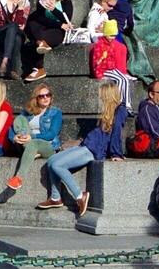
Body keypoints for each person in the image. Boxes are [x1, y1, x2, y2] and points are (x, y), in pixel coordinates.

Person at [39, 82, 125, 217]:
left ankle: (80, 196)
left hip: (92, 150)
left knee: (57, 165)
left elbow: (116, 133)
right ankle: (56, 198)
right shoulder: (108, 110)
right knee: (51, 160)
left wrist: (116, 153)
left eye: (102, 95)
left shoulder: (120, 110)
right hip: (86, 145)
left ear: (108, 95)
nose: (100, 98)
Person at [6, 83, 62, 206]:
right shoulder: (27, 113)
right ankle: (32, 152)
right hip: (26, 143)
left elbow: (51, 134)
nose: (46, 98)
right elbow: (12, 128)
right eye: (42, 96)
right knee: (19, 120)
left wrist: (32, 137)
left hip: (48, 146)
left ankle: (18, 178)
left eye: (48, 95)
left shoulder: (55, 113)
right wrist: (14, 138)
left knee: (34, 143)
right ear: (36, 98)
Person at [21, 0, 74, 82]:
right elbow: (41, 19)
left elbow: (67, 18)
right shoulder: (43, 0)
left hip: (58, 31)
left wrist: (54, 10)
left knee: (38, 41)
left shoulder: (66, 1)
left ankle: (39, 68)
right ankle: (40, 42)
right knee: (33, 21)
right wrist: (59, 24)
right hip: (46, 28)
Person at [89, 19, 133, 105]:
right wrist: (99, 73)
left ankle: (127, 103)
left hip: (111, 69)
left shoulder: (112, 44)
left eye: (114, 36)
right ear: (106, 34)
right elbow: (96, 62)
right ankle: (119, 102)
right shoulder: (99, 45)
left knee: (125, 79)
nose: (112, 38)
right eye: (110, 36)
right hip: (103, 70)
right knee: (120, 79)